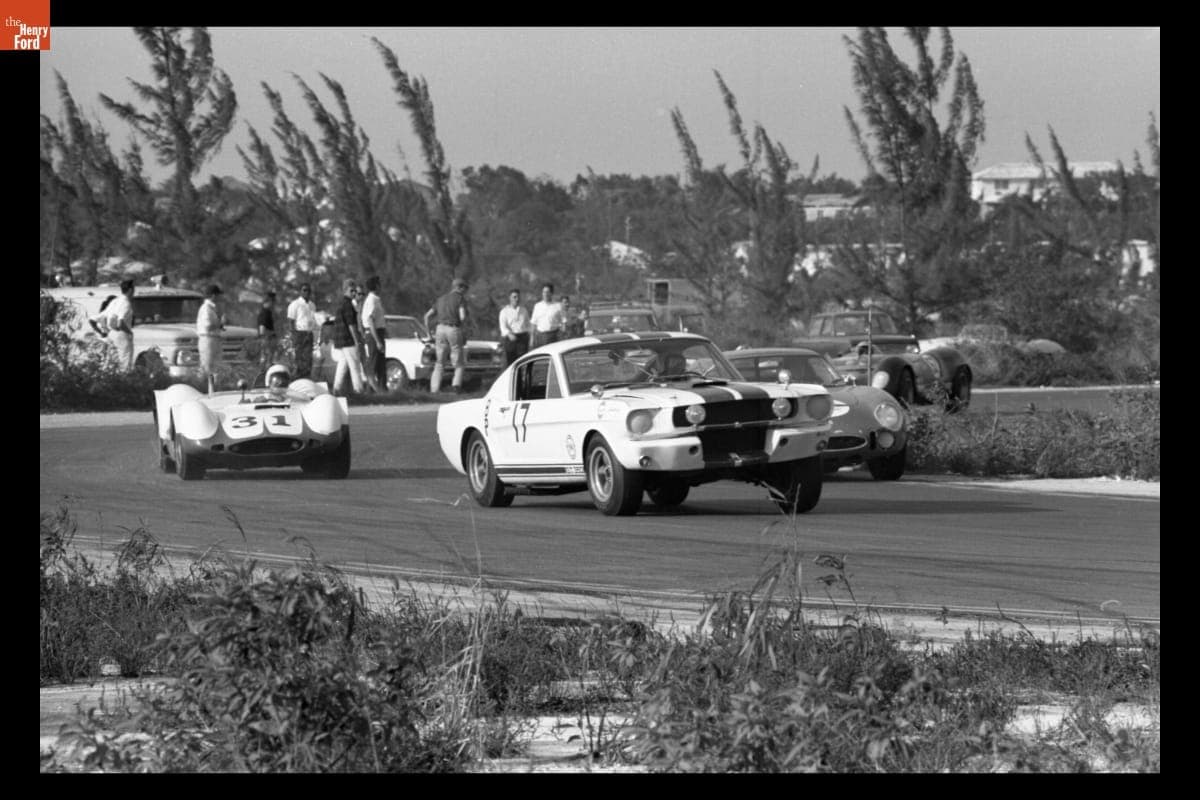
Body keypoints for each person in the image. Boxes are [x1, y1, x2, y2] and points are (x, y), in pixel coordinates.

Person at [424, 276, 470, 393]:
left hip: (439, 329)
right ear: (459, 288)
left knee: (439, 363)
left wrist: (429, 334)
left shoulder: (441, 299)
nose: (465, 291)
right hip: (453, 329)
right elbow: (462, 317)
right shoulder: (460, 299)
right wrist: (464, 331)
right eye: (464, 288)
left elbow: (427, 316)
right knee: (459, 363)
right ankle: (456, 388)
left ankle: (434, 390)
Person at [331, 278, 365, 395]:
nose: (354, 293)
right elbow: (351, 324)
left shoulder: (340, 303)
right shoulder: (348, 304)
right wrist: (356, 340)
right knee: (355, 366)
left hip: (340, 340)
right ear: (345, 290)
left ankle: (336, 389)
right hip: (348, 340)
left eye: (355, 291)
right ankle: (359, 391)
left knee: (342, 365)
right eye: (352, 291)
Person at [359, 276, 388, 392]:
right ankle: (371, 390)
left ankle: (382, 390)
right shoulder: (372, 300)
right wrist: (377, 341)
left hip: (378, 332)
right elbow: (370, 320)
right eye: (379, 284)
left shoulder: (376, 299)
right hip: (373, 334)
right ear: (376, 286)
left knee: (381, 364)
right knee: (374, 363)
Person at [287, 283, 318, 379]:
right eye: (304, 290)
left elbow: (314, 320)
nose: (306, 292)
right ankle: (297, 379)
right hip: (299, 333)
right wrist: (294, 335)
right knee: (299, 358)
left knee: (308, 358)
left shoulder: (312, 305)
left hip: (309, 333)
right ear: (300, 291)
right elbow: (291, 321)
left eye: (308, 290)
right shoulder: (295, 304)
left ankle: (306, 378)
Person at [104, 280, 136, 370]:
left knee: (111, 361)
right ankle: (124, 381)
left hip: (111, 333)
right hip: (122, 333)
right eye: (133, 289)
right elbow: (120, 322)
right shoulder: (126, 303)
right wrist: (129, 332)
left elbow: (105, 317)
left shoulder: (115, 301)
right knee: (125, 362)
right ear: (130, 290)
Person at [196, 284, 225, 383]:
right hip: (208, 339)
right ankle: (203, 387)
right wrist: (220, 323)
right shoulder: (206, 308)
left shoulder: (212, 308)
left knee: (215, 366)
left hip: (213, 338)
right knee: (207, 366)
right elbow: (208, 326)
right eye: (218, 295)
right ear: (213, 295)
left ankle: (214, 388)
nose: (219, 297)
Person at [498, 288, 530, 366]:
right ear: (510, 298)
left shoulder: (524, 310)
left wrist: (529, 335)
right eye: (514, 297)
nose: (516, 299)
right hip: (510, 338)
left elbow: (528, 324)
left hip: (522, 338)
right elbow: (503, 326)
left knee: (523, 362)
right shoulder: (504, 311)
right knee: (511, 364)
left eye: (518, 297)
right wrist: (509, 334)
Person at [530, 282, 563, 349]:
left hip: (553, 336)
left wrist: (561, 335)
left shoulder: (558, 306)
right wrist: (531, 339)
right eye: (544, 292)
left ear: (551, 293)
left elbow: (563, 322)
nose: (545, 294)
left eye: (548, 292)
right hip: (540, 336)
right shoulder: (537, 306)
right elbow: (533, 324)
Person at [257, 291, 278, 367]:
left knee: (269, 360)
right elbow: (262, 329)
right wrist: (271, 335)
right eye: (273, 301)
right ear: (269, 301)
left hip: (267, 341)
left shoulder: (267, 312)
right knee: (267, 361)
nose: (274, 304)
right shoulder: (265, 313)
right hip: (267, 341)